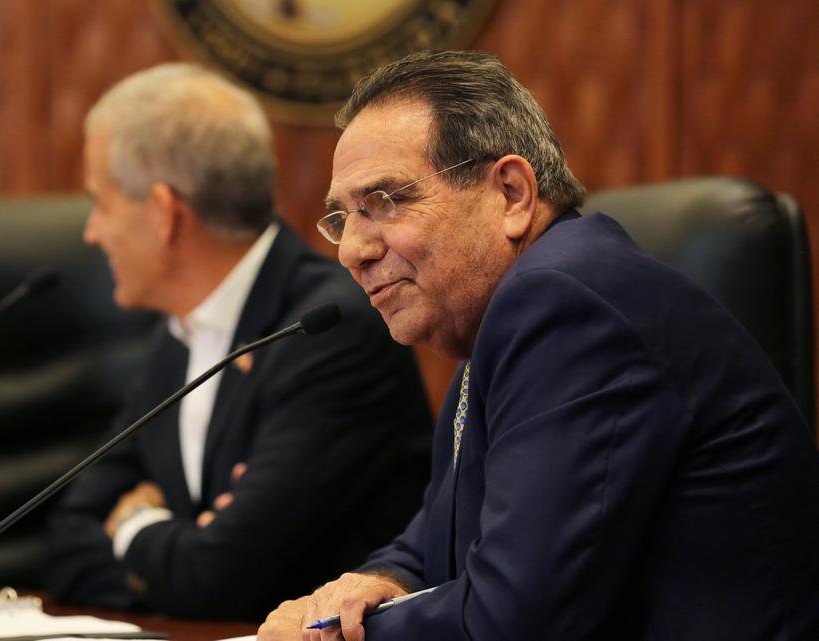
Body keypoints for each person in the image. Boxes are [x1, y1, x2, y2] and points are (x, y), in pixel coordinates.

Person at [259, 50, 819, 641]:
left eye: (386, 201)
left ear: (511, 193)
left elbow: (514, 620)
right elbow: (433, 536)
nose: (351, 251)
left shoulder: (565, 306)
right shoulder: (494, 331)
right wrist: (381, 580)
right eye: (342, 218)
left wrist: (330, 634)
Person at [44, 63, 433, 620]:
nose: (91, 232)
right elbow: (66, 541)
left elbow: (220, 579)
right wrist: (178, 554)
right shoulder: (173, 338)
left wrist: (133, 525)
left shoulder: (327, 331)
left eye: (101, 204)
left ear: (162, 213)